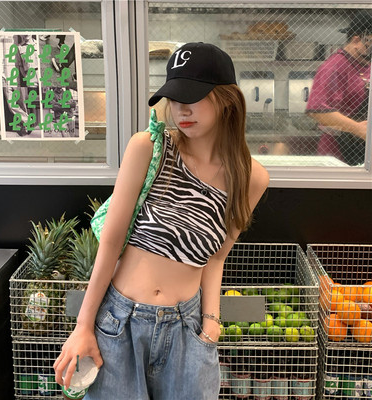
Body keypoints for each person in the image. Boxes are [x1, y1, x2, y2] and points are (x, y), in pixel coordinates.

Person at [53, 42, 269, 399]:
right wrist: (83, 325)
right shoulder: (149, 147)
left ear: (227, 99)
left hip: (188, 330)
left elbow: (216, 257)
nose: (181, 108)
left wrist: (211, 324)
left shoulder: (250, 178)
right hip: (120, 323)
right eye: (174, 96)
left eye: (194, 96)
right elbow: (111, 242)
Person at [306, 10, 372, 166]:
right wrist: (359, 129)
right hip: (338, 155)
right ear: (357, 40)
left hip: (363, 153)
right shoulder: (335, 67)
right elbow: (317, 111)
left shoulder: (366, 64)